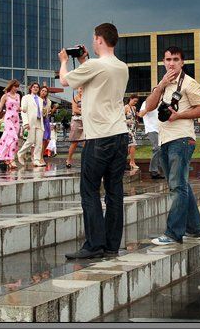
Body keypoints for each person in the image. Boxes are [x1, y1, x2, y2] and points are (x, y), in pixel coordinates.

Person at [59, 23, 129, 259]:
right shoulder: (122, 67)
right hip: (120, 134)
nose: (92, 41)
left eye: (94, 38)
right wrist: (84, 60)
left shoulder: (95, 65)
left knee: (89, 190)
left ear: (99, 39)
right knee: (114, 191)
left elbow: (65, 81)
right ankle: (111, 244)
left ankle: (93, 245)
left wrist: (64, 61)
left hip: (99, 137)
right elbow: (93, 80)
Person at [143, 46, 200, 245]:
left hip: (181, 139)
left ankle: (173, 233)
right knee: (180, 184)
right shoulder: (163, 84)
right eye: (168, 59)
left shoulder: (189, 83)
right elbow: (149, 107)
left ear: (182, 62)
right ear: (163, 62)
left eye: (176, 59)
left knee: (177, 186)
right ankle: (195, 229)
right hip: (164, 139)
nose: (171, 63)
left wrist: (178, 115)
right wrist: (161, 85)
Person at [0, 80, 21, 170]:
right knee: (14, 138)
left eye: (17, 87)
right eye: (15, 86)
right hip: (8, 119)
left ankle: (5, 157)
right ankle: (11, 159)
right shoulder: (5, 96)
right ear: (11, 86)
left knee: (9, 139)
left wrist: (22, 109)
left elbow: (17, 108)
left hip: (16, 119)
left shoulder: (18, 96)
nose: (16, 88)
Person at [18, 81, 46, 167]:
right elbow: (23, 111)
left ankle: (36, 160)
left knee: (39, 143)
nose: (35, 88)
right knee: (30, 140)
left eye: (37, 87)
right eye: (34, 87)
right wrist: (25, 123)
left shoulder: (41, 100)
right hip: (30, 122)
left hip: (39, 122)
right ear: (31, 88)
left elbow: (41, 112)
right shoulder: (26, 98)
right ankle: (20, 153)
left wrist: (44, 113)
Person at [137, 99, 164, 179]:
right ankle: (153, 171)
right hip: (152, 129)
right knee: (157, 148)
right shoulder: (146, 103)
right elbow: (141, 114)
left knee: (162, 150)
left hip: (161, 129)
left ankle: (160, 171)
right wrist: (149, 107)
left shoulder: (161, 103)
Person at [66, 87, 85, 169]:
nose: (81, 90)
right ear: (78, 89)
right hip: (77, 120)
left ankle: (85, 161)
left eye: (83, 88)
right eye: (80, 88)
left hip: (86, 121)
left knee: (86, 142)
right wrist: (84, 112)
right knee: (75, 142)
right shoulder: (75, 98)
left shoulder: (87, 98)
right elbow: (75, 109)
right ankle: (69, 159)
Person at [125, 95, 140, 170]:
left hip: (133, 128)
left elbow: (134, 117)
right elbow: (121, 118)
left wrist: (136, 120)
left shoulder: (134, 108)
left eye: (136, 101)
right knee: (133, 144)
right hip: (128, 129)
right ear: (130, 99)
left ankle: (120, 160)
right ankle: (132, 162)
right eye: (134, 101)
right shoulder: (125, 107)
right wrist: (127, 121)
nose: (135, 102)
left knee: (129, 148)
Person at [39, 86, 53, 159]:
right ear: (40, 91)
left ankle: (41, 155)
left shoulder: (48, 101)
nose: (44, 92)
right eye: (42, 90)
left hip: (46, 121)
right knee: (40, 140)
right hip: (39, 120)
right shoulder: (37, 99)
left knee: (46, 140)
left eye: (45, 91)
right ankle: (38, 156)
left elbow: (49, 111)